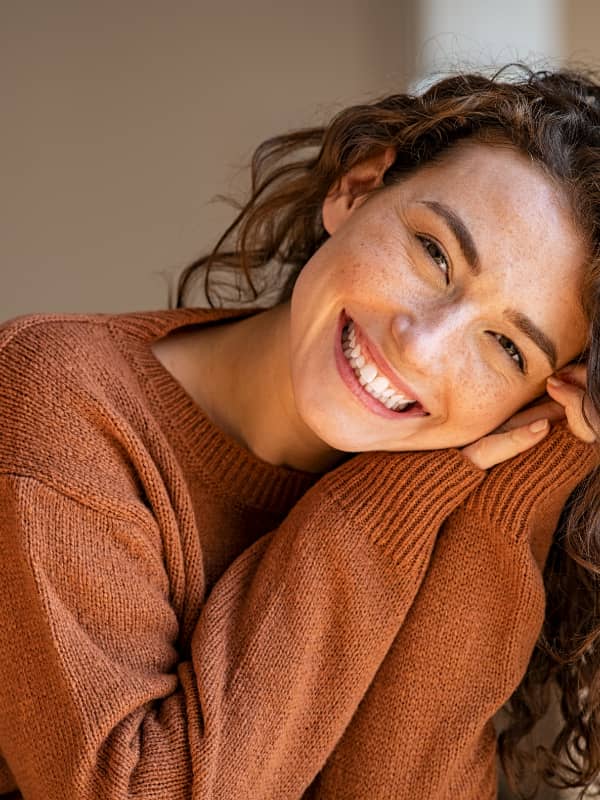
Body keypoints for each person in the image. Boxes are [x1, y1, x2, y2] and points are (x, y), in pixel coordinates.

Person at [0, 64, 599, 800]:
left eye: (507, 348)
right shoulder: (60, 395)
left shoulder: (459, 506)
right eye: (434, 252)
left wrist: (518, 488)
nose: (421, 344)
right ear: (355, 188)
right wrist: (391, 496)